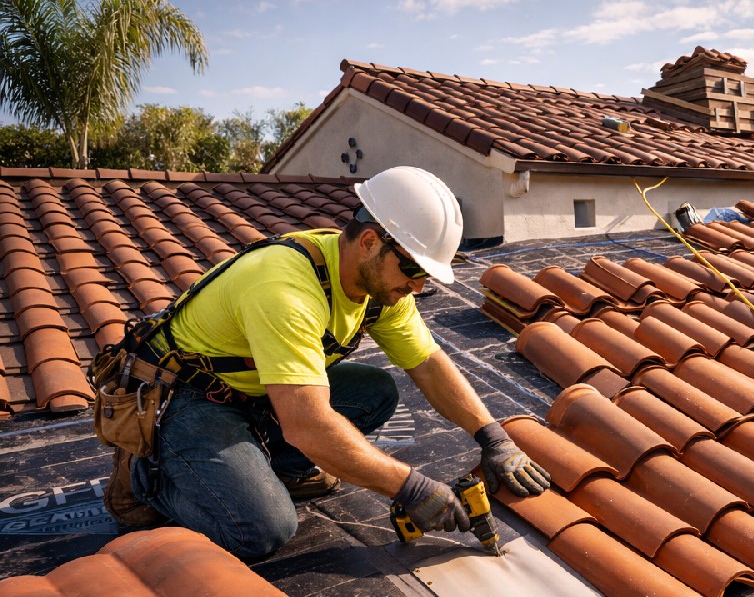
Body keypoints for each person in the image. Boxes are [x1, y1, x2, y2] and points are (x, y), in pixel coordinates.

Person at [107, 166, 550, 560]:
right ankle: (148, 477)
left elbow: (428, 363)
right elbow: (308, 425)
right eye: (414, 271)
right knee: (262, 531)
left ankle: (277, 468)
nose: (417, 287)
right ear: (371, 242)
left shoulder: (380, 284)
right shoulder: (285, 290)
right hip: (185, 397)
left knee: (375, 392)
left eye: (426, 277)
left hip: (254, 391)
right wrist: (410, 487)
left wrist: (493, 437)